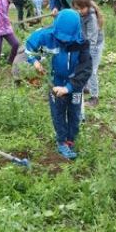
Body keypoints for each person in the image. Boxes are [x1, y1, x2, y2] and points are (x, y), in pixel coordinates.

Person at [25, 9, 92, 159]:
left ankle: (70, 139)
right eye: (60, 37)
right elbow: (29, 47)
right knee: (58, 112)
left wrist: (68, 88)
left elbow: (85, 70)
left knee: (74, 113)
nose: (63, 41)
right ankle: (61, 141)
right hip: (55, 82)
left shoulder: (82, 43)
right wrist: (35, 61)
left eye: (67, 38)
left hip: (74, 85)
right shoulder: (46, 35)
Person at [72, 0, 104, 107]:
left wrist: (85, 56)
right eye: (77, 8)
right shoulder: (80, 12)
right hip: (86, 43)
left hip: (94, 45)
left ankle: (94, 97)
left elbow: (92, 40)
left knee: (91, 70)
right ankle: (85, 87)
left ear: (87, 5)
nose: (79, 11)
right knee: (82, 67)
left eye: (81, 8)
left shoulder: (91, 18)